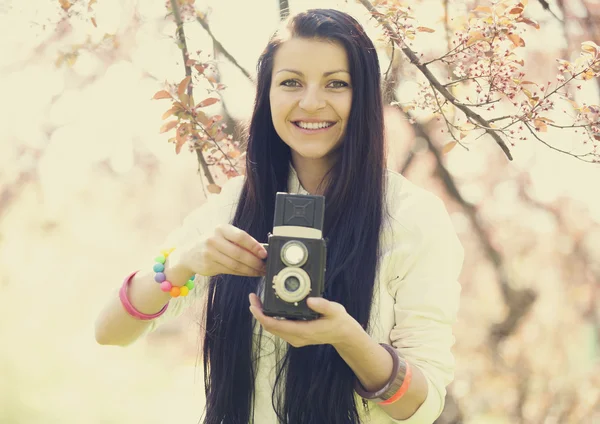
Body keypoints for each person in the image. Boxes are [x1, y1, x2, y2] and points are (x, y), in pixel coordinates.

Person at [94, 8, 464, 424]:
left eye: (336, 84)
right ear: (266, 93)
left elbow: (423, 404)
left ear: (363, 97)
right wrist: (181, 264)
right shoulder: (235, 206)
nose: (310, 102)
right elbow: (109, 331)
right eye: (291, 82)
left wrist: (346, 338)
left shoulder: (412, 217)